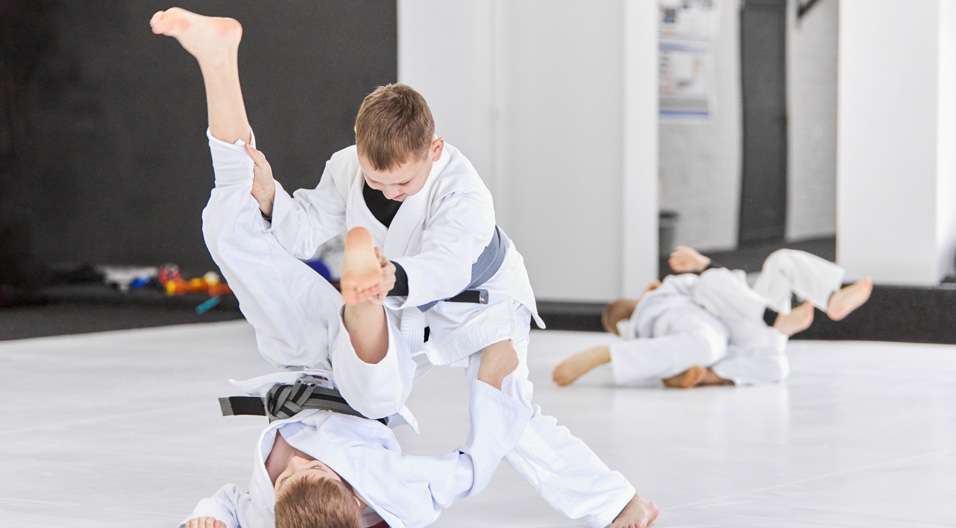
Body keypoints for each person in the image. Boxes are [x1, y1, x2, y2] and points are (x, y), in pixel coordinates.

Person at [150, 8, 655, 527]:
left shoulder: (463, 191)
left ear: (434, 150)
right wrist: (270, 196)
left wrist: (392, 278)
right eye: (377, 181)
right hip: (394, 301)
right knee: (236, 227)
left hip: (481, 304)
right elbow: (303, 229)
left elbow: (449, 265)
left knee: (508, 421)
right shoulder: (346, 166)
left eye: (404, 184)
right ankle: (219, 61)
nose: (389, 192)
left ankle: (620, 504)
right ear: (358, 146)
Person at [553, 247, 873, 389]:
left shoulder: (673, 293)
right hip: (738, 329)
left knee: (778, 263)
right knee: (771, 364)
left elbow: (725, 284)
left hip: (747, 318)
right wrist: (702, 265)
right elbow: (719, 283)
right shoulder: (658, 314)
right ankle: (711, 372)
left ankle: (830, 298)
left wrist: (702, 266)